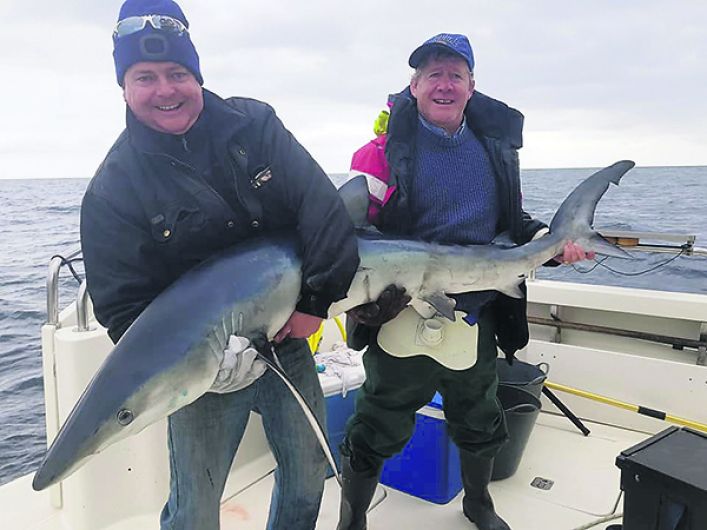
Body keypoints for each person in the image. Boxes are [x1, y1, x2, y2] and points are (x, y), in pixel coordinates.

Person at [79, 1, 359, 529]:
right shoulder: (113, 189)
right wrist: (207, 366)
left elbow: (322, 210)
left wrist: (315, 305)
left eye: (177, 73)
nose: (165, 90)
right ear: (123, 87)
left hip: (286, 340)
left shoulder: (254, 125)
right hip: (204, 374)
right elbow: (122, 309)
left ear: (197, 75)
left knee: (307, 475)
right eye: (145, 77)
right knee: (193, 508)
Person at [337, 33, 593, 530]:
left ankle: (478, 503)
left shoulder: (493, 150)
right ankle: (353, 518)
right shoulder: (379, 153)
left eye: (455, 74)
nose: (444, 85)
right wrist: (357, 301)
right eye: (433, 74)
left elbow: (513, 223)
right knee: (375, 422)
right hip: (400, 312)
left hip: (475, 311)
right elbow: (346, 236)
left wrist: (552, 244)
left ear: (472, 85)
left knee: (479, 416)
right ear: (413, 85)